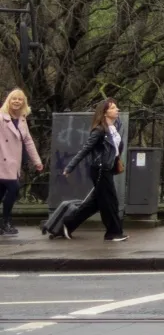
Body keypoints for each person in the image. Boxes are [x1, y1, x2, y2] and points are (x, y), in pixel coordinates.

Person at [61, 98, 127, 242]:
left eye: (116, 107)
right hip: (100, 170)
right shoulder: (99, 131)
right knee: (109, 202)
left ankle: (68, 223)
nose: (117, 110)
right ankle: (113, 233)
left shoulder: (115, 128)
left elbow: (115, 148)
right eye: (113, 108)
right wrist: (70, 167)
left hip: (108, 169)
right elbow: (84, 150)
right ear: (104, 113)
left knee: (96, 203)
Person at [0, 90, 43, 237]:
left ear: (23, 102)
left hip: (13, 163)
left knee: (2, 193)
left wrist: (37, 161)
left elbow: (28, 141)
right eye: (14, 99)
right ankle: (6, 222)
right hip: (2, 161)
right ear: (8, 101)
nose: (17, 101)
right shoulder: (1, 117)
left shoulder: (22, 119)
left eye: (20, 99)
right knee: (14, 189)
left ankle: (4, 223)